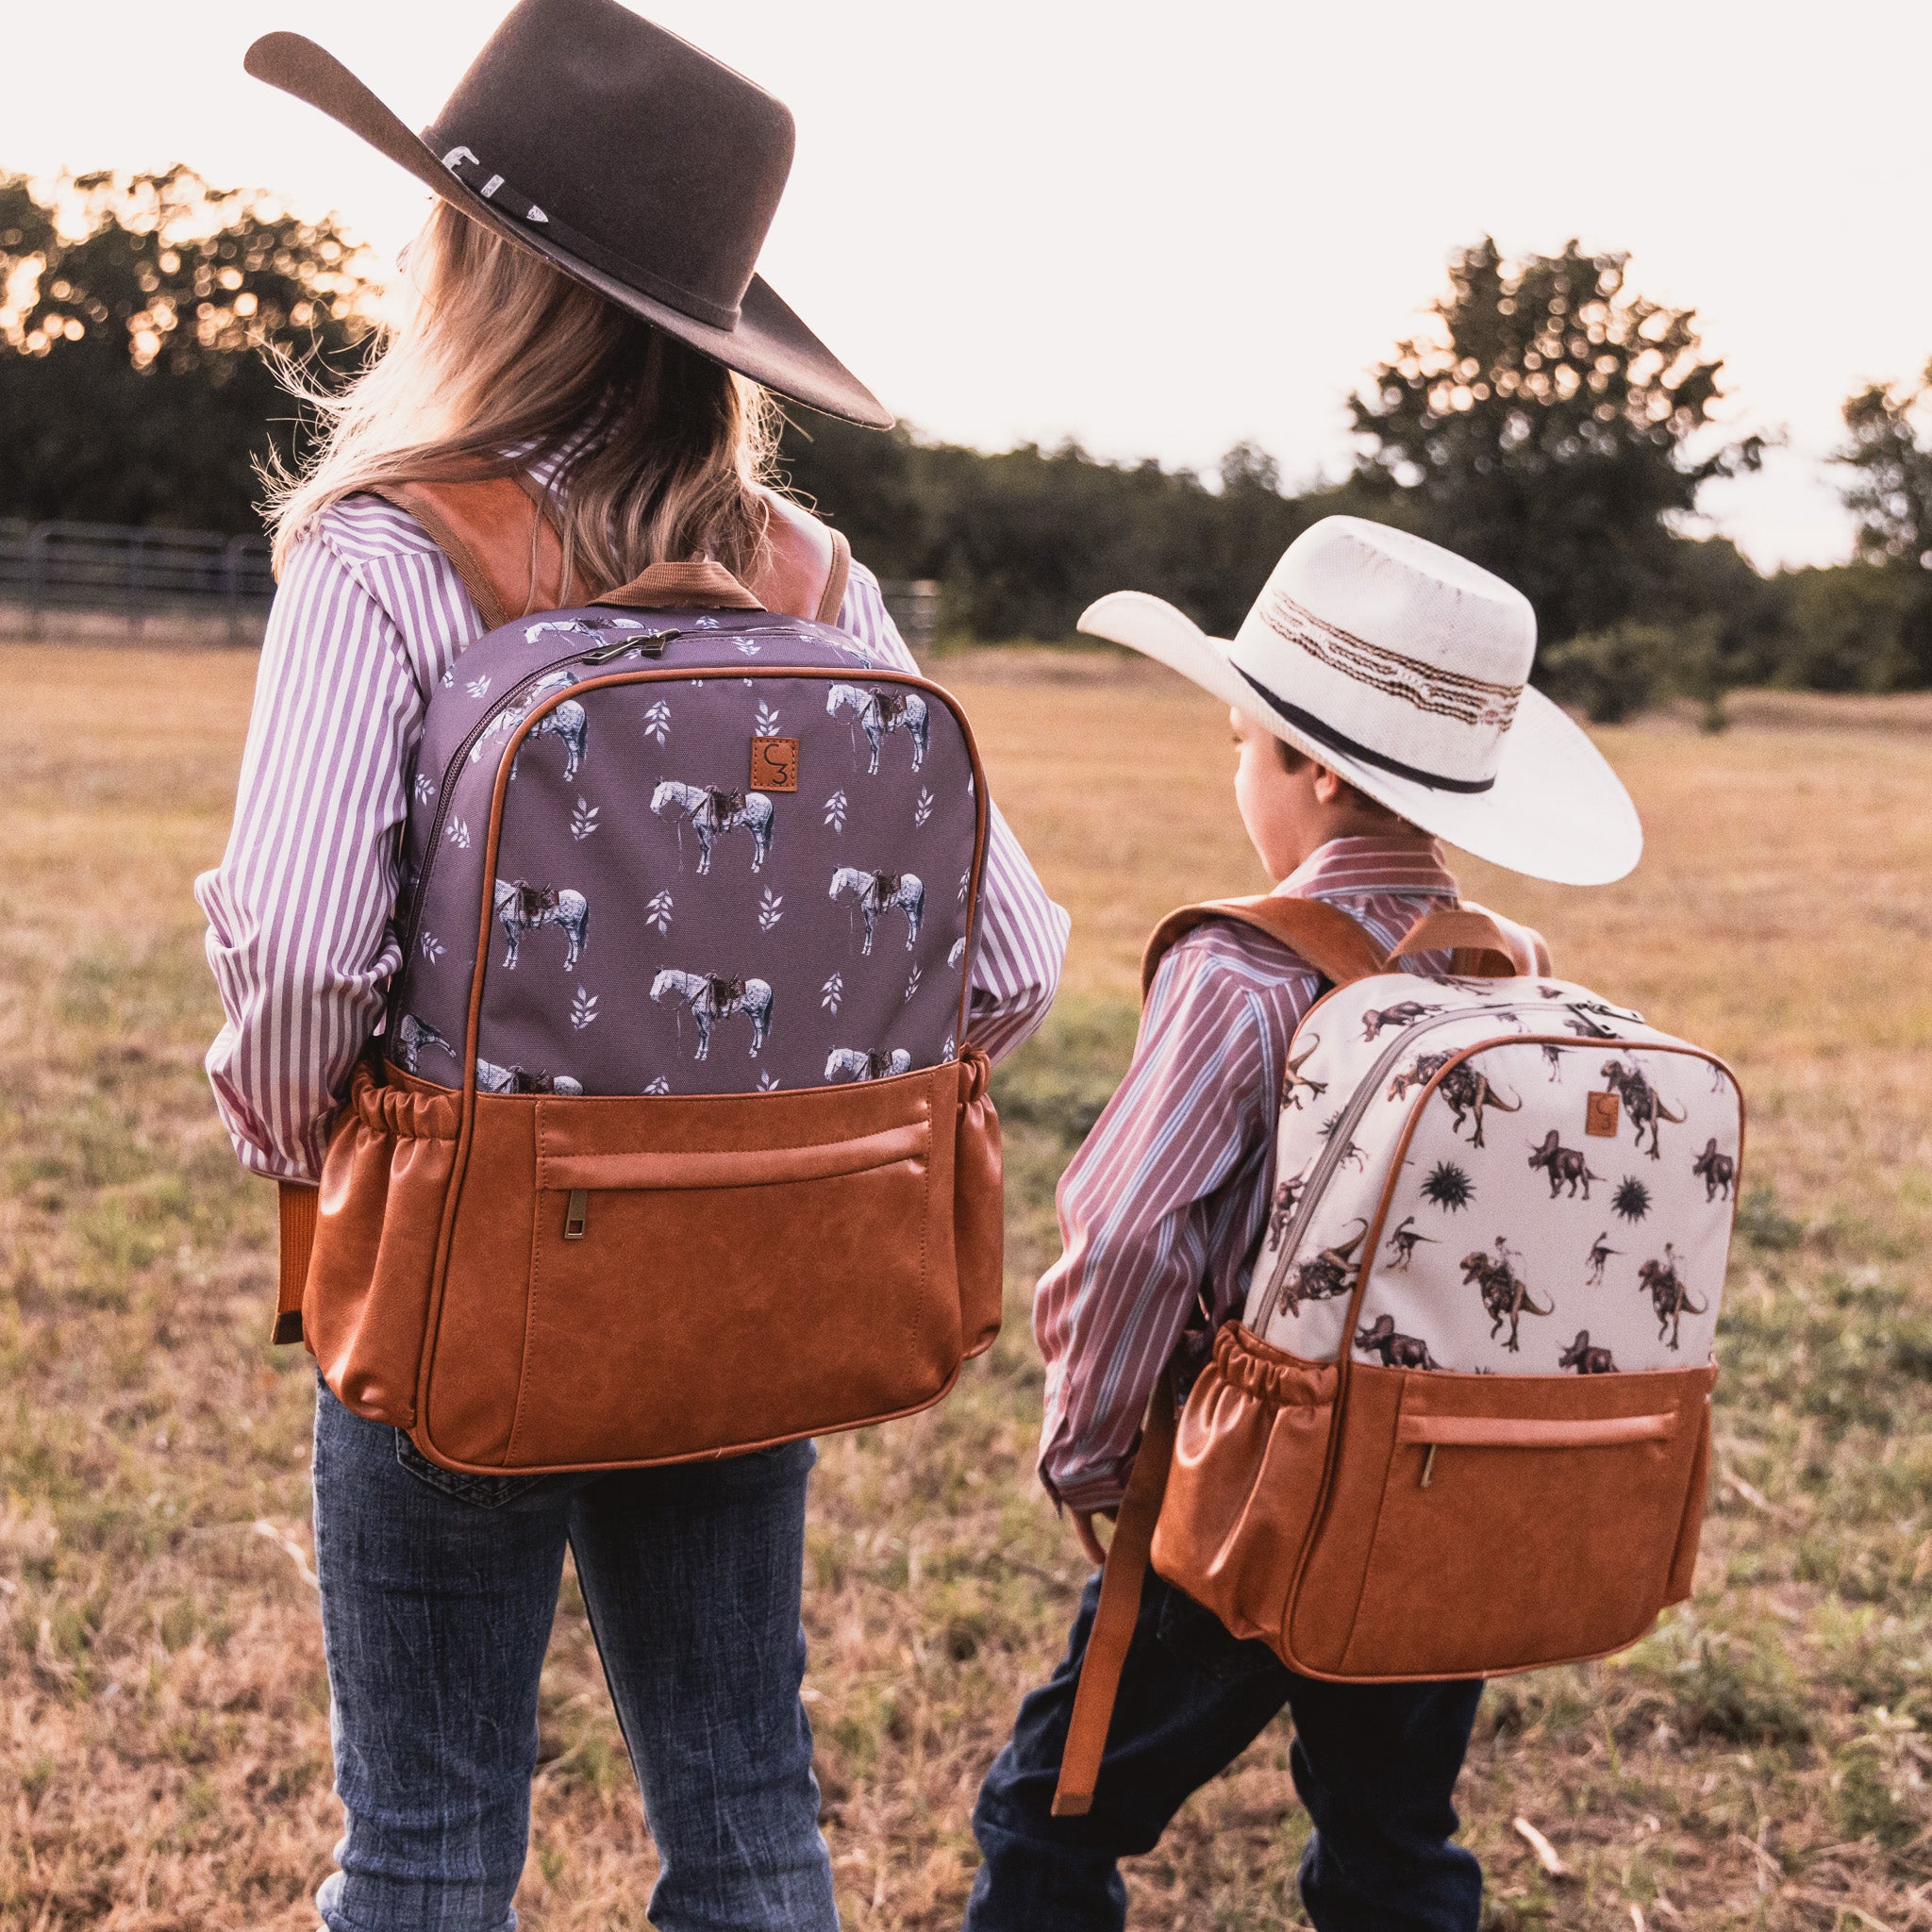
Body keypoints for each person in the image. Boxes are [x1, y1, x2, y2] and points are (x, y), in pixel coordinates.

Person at [196, 7, 1068, 1927]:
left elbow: (301, 955)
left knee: (424, 1842)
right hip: (751, 1284)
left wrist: (304, 1142)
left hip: (462, 1274)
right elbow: (1008, 965)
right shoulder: (814, 580)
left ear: (477, 262)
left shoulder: (390, 551)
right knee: (750, 1813)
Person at [962, 516, 1641, 1931]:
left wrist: (1092, 1454)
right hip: (1441, 1493)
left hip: (1243, 1496)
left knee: (1050, 1813)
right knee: (1393, 1846)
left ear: (1316, 769)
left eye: (1241, 739)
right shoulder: (1512, 971)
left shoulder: (1238, 967)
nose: (1235, 768)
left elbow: (1133, 1231)